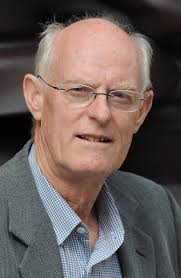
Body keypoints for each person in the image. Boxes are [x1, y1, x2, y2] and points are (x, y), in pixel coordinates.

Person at [0, 14, 180, 278]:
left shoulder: (158, 208)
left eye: (120, 95)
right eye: (79, 90)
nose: (101, 113)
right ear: (35, 97)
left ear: (141, 112)